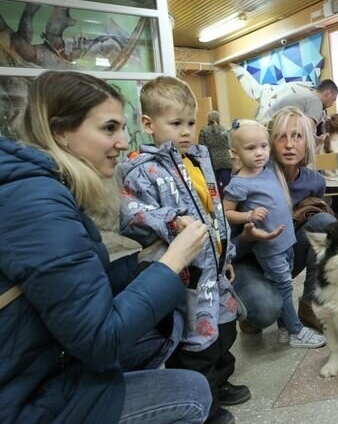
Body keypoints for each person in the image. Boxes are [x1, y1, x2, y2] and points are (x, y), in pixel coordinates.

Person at [0, 70, 212, 423]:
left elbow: (72, 287)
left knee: (161, 331)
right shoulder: (38, 202)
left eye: (123, 128)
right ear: (60, 132)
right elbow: (101, 339)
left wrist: (144, 262)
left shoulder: (39, 186)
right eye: (109, 128)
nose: (123, 141)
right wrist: (171, 262)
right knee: (191, 392)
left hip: (40, 364)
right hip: (27, 399)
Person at [119, 76, 248, 424]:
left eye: (190, 123)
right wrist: (170, 220)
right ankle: (204, 405)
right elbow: (130, 215)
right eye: (176, 124)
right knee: (195, 345)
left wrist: (228, 257)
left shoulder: (199, 160)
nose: (186, 131)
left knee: (224, 331)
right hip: (186, 277)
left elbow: (216, 212)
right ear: (149, 124)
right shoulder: (140, 169)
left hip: (216, 269)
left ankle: (221, 382)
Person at [232, 107, 337, 334]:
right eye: (282, 136)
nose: (290, 144)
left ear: (307, 142)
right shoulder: (249, 179)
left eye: (297, 136)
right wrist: (248, 237)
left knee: (325, 223)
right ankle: (251, 305)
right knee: (265, 309)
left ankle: (309, 304)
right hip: (247, 260)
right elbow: (226, 248)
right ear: (270, 142)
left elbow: (311, 227)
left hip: (282, 254)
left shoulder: (314, 182)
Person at [262, 79, 338, 138]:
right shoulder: (316, 102)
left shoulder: (307, 96)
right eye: (333, 99)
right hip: (268, 132)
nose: (332, 104)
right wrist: (320, 141)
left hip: (264, 128)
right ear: (328, 94)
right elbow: (308, 133)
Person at [199, 110, 233, 196]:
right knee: (227, 183)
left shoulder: (204, 130)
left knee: (212, 183)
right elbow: (229, 145)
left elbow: (201, 146)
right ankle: (229, 200)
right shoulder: (224, 129)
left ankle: (216, 201)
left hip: (211, 160)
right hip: (225, 159)